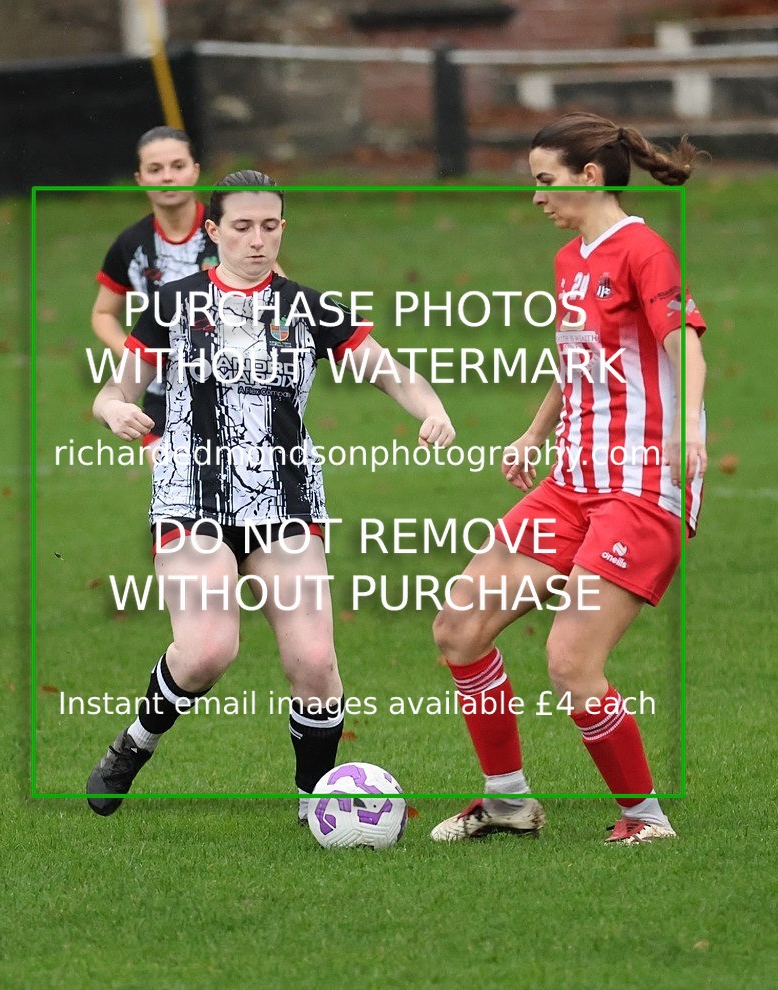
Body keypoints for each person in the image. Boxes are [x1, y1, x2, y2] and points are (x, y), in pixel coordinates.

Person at [86, 171, 455, 818]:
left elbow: (393, 374)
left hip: (283, 502)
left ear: (281, 227)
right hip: (189, 496)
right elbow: (114, 391)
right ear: (212, 232)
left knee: (314, 662)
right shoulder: (173, 303)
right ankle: (134, 744)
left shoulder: (309, 308)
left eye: (269, 226)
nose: (257, 240)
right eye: (241, 227)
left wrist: (432, 409)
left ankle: (318, 804)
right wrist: (113, 412)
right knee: (206, 652)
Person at [430, 112, 707, 845]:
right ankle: (506, 803)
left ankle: (645, 820)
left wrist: (688, 431)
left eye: (543, 181)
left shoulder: (643, 251)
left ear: (589, 178)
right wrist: (533, 431)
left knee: (569, 661)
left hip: (638, 487)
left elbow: (683, 343)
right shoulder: (569, 260)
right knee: (459, 628)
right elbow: (577, 359)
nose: (534, 197)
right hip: (570, 481)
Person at [91, 126, 215, 459]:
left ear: (195, 170)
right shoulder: (132, 244)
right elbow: (103, 313)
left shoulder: (231, 231)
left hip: (235, 392)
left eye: (178, 166)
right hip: (165, 398)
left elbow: (280, 296)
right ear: (140, 178)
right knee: (174, 506)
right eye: (155, 170)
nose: (168, 177)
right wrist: (135, 355)